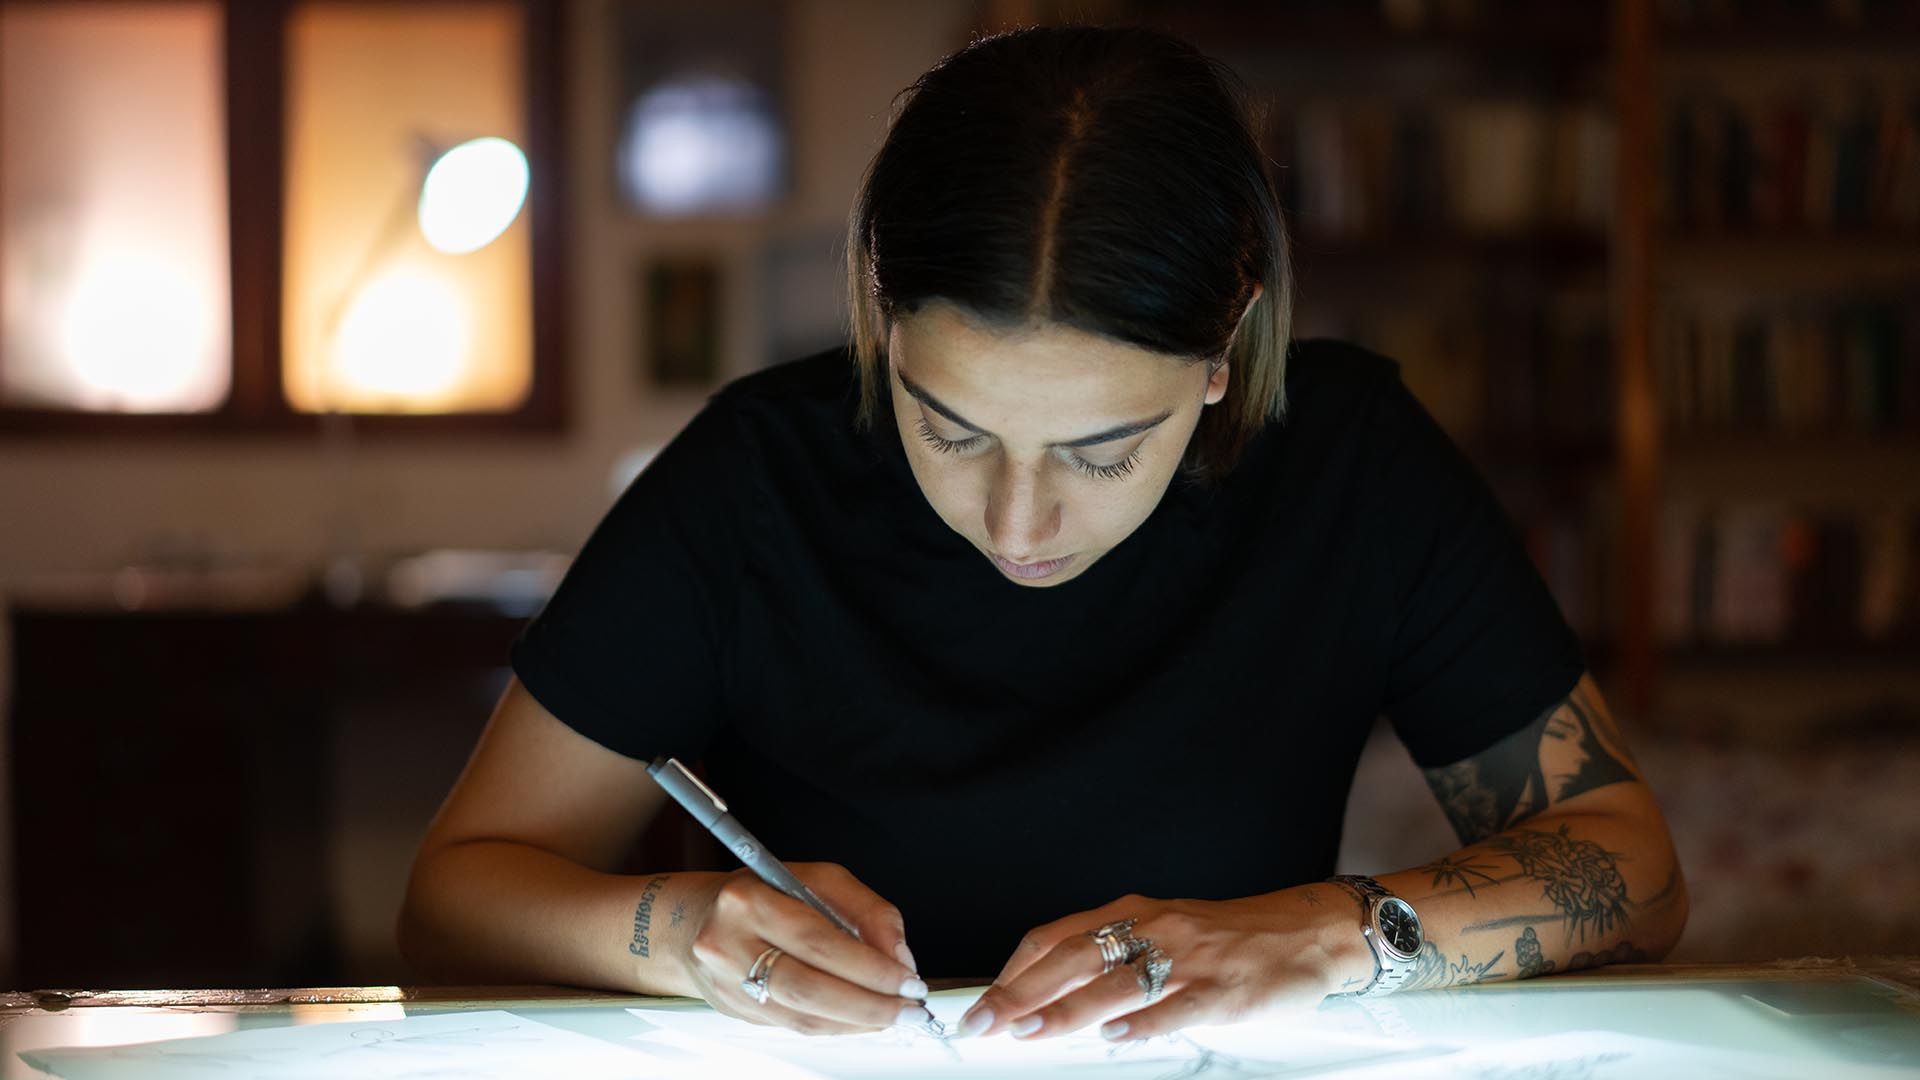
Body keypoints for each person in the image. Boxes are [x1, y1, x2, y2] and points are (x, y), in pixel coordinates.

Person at [399, 24, 1688, 1044]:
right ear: (882, 324)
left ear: (1225, 351)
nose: (1017, 524)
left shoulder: (1353, 460)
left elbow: (1634, 866)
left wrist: (1335, 929)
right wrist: (676, 931)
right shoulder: (752, 479)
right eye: (947, 428)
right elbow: (450, 900)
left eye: (1102, 451)